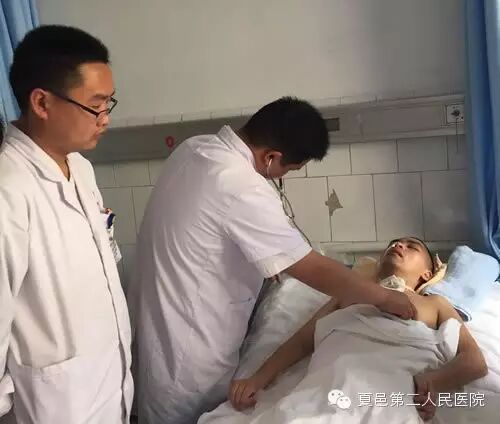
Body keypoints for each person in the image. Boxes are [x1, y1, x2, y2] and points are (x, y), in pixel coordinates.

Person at [129, 97, 417, 424]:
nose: (283, 178)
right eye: (287, 170)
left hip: (161, 326)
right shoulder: (242, 186)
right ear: (271, 157)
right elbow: (312, 268)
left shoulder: (194, 149)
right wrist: (384, 297)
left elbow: (208, 233)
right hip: (189, 352)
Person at [0, 26, 132, 423]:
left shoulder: (81, 168)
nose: (105, 119)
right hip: (55, 408)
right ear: (41, 102)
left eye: (109, 103)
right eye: (96, 106)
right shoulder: (8, 190)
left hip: (108, 389)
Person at [229, 237, 488, 421]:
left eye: (411, 246)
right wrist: (257, 379)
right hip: (330, 384)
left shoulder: (435, 304)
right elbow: (302, 341)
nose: (398, 246)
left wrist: (433, 382)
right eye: (394, 244)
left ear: (427, 274)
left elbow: (474, 361)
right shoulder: (351, 293)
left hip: (392, 390)